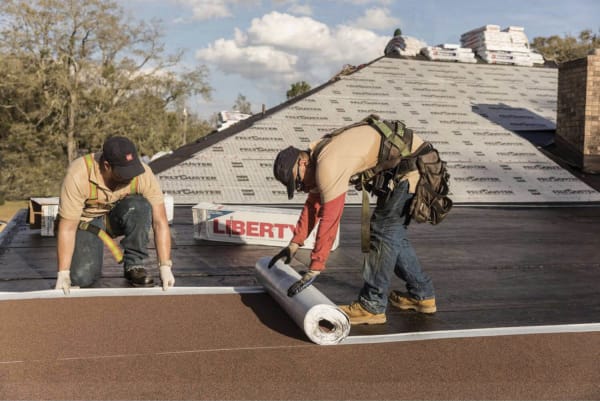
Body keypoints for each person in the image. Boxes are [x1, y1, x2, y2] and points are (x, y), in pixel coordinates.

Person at [269, 119, 436, 325]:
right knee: (392, 234)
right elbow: (313, 204)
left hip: (413, 169)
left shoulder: (328, 163)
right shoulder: (318, 155)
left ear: (302, 163)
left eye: (298, 181)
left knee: (383, 230)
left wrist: (316, 266)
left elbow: (330, 218)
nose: (301, 187)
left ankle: (372, 305)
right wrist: (294, 244)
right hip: (406, 167)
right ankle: (422, 294)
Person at [54, 136, 175, 294]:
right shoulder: (79, 174)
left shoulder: (142, 173)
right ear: (106, 166)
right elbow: (67, 228)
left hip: (115, 216)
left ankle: (134, 265)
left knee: (139, 206)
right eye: (123, 172)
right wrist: (63, 273)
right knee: (81, 279)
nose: (130, 176)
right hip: (86, 222)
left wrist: (165, 266)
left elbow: (160, 222)